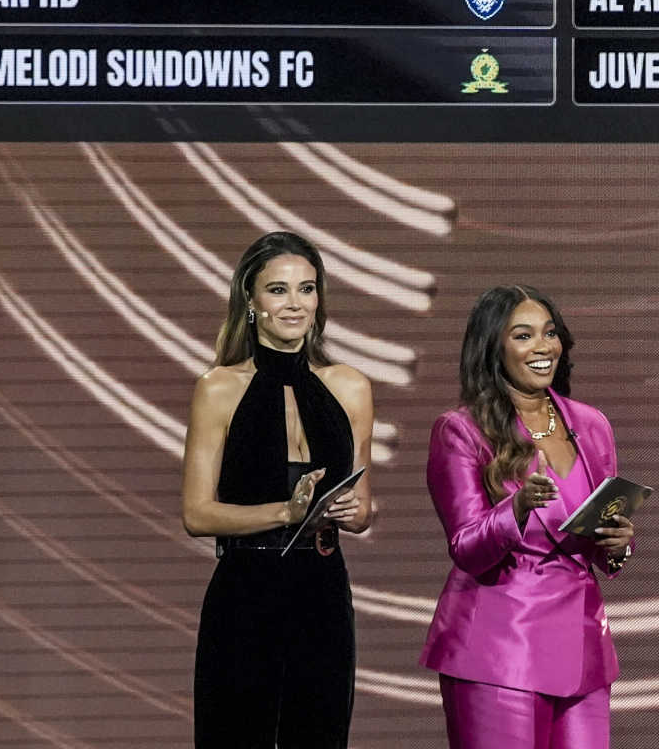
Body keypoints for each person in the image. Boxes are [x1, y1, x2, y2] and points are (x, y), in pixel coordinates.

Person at [181, 231, 376, 748]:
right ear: (250, 299)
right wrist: (285, 513)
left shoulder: (351, 386)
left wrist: (357, 511)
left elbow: (361, 510)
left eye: (307, 289)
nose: (295, 304)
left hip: (323, 595)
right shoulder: (218, 388)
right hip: (245, 596)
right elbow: (197, 514)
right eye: (278, 290)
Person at [422, 285, 634, 749]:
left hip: (582, 650)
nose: (543, 348)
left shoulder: (591, 424)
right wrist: (515, 509)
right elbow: (467, 549)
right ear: (494, 348)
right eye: (523, 336)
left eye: (550, 333)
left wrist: (617, 545)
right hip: (499, 649)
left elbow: (597, 540)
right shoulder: (461, 430)